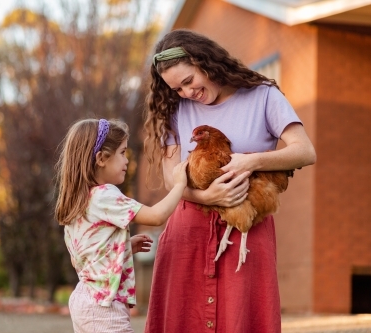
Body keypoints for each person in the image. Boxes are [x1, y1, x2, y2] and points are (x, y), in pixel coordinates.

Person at [143, 29, 316, 333]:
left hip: (246, 223)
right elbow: (174, 179)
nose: (186, 93)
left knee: (242, 318)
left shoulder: (262, 95)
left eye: (188, 81)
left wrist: (251, 161)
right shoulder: (174, 108)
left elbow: (305, 151)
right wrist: (207, 198)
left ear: (206, 63)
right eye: (177, 89)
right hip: (189, 229)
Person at [54, 118, 188, 333]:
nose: (127, 160)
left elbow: (88, 253)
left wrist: (123, 246)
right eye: (122, 152)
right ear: (101, 158)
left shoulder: (79, 201)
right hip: (104, 306)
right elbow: (155, 216)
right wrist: (180, 185)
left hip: (85, 298)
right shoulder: (104, 195)